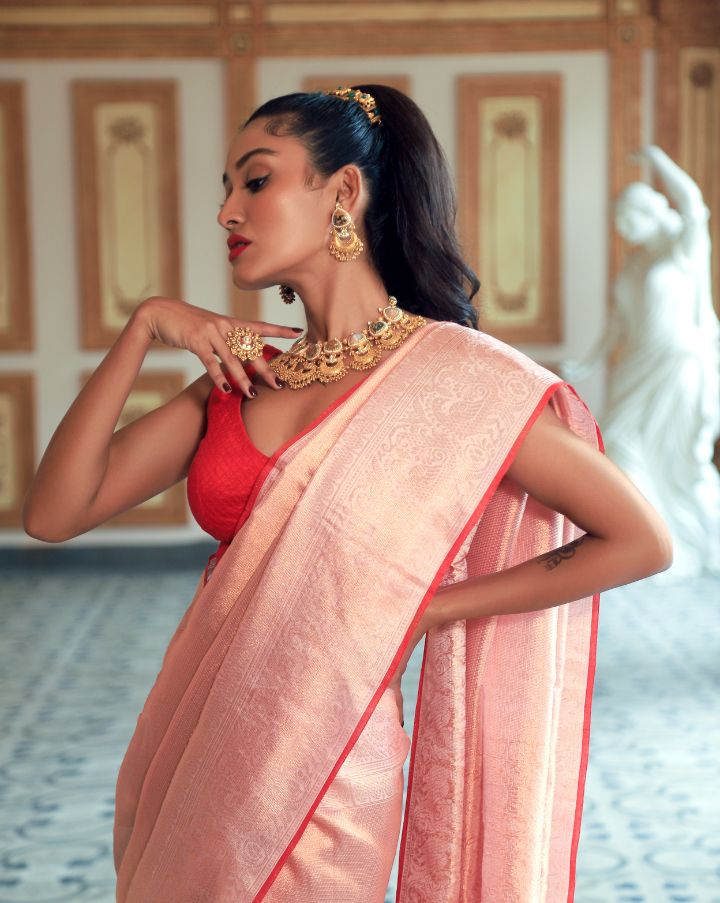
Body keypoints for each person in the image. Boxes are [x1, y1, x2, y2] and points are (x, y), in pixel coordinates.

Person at [23, 86, 672, 903]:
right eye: (225, 188)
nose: (227, 210)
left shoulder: (453, 382)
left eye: (255, 181)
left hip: (330, 767)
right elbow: (52, 514)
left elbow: (641, 539)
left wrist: (431, 609)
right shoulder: (241, 380)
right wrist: (147, 323)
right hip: (195, 751)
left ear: (344, 193)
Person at [567, 145, 719, 582]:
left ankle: (682, 545)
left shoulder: (684, 251)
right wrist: (590, 363)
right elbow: (619, 324)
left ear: (652, 213)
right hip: (635, 367)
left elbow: (695, 205)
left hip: (677, 367)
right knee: (619, 443)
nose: (621, 227)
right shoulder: (634, 264)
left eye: (627, 218)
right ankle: (652, 544)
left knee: (675, 459)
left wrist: (657, 160)